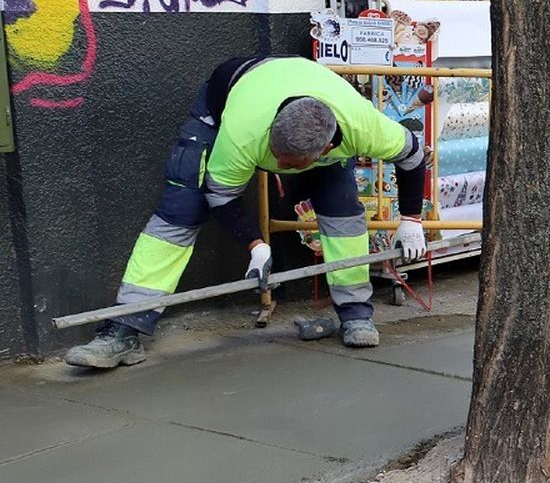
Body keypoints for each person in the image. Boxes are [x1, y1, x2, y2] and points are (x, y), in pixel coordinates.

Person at [65, 57, 429, 369]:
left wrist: (411, 220)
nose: (276, 168)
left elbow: (412, 156)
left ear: (322, 151)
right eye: (274, 158)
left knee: (342, 209)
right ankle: (123, 329)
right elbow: (220, 196)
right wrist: (255, 244)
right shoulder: (243, 133)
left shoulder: (363, 127)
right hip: (231, 93)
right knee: (181, 207)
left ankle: (356, 315)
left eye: (287, 164)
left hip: (316, 104)